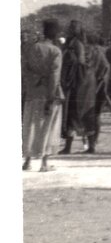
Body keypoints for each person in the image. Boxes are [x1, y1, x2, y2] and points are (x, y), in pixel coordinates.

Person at [23, 19, 64, 172]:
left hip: (33, 92)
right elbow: (54, 76)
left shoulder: (31, 48)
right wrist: (51, 97)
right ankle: (44, 162)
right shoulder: (55, 51)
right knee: (48, 127)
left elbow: (25, 70)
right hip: (49, 93)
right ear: (55, 33)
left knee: (30, 126)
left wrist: (33, 84)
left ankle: (27, 161)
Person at [58, 20, 87, 154]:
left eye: (72, 28)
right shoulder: (69, 44)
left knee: (73, 113)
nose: (69, 29)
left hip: (74, 83)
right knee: (69, 114)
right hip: (68, 82)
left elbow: (80, 64)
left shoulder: (78, 45)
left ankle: (77, 144)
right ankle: (69, 145)